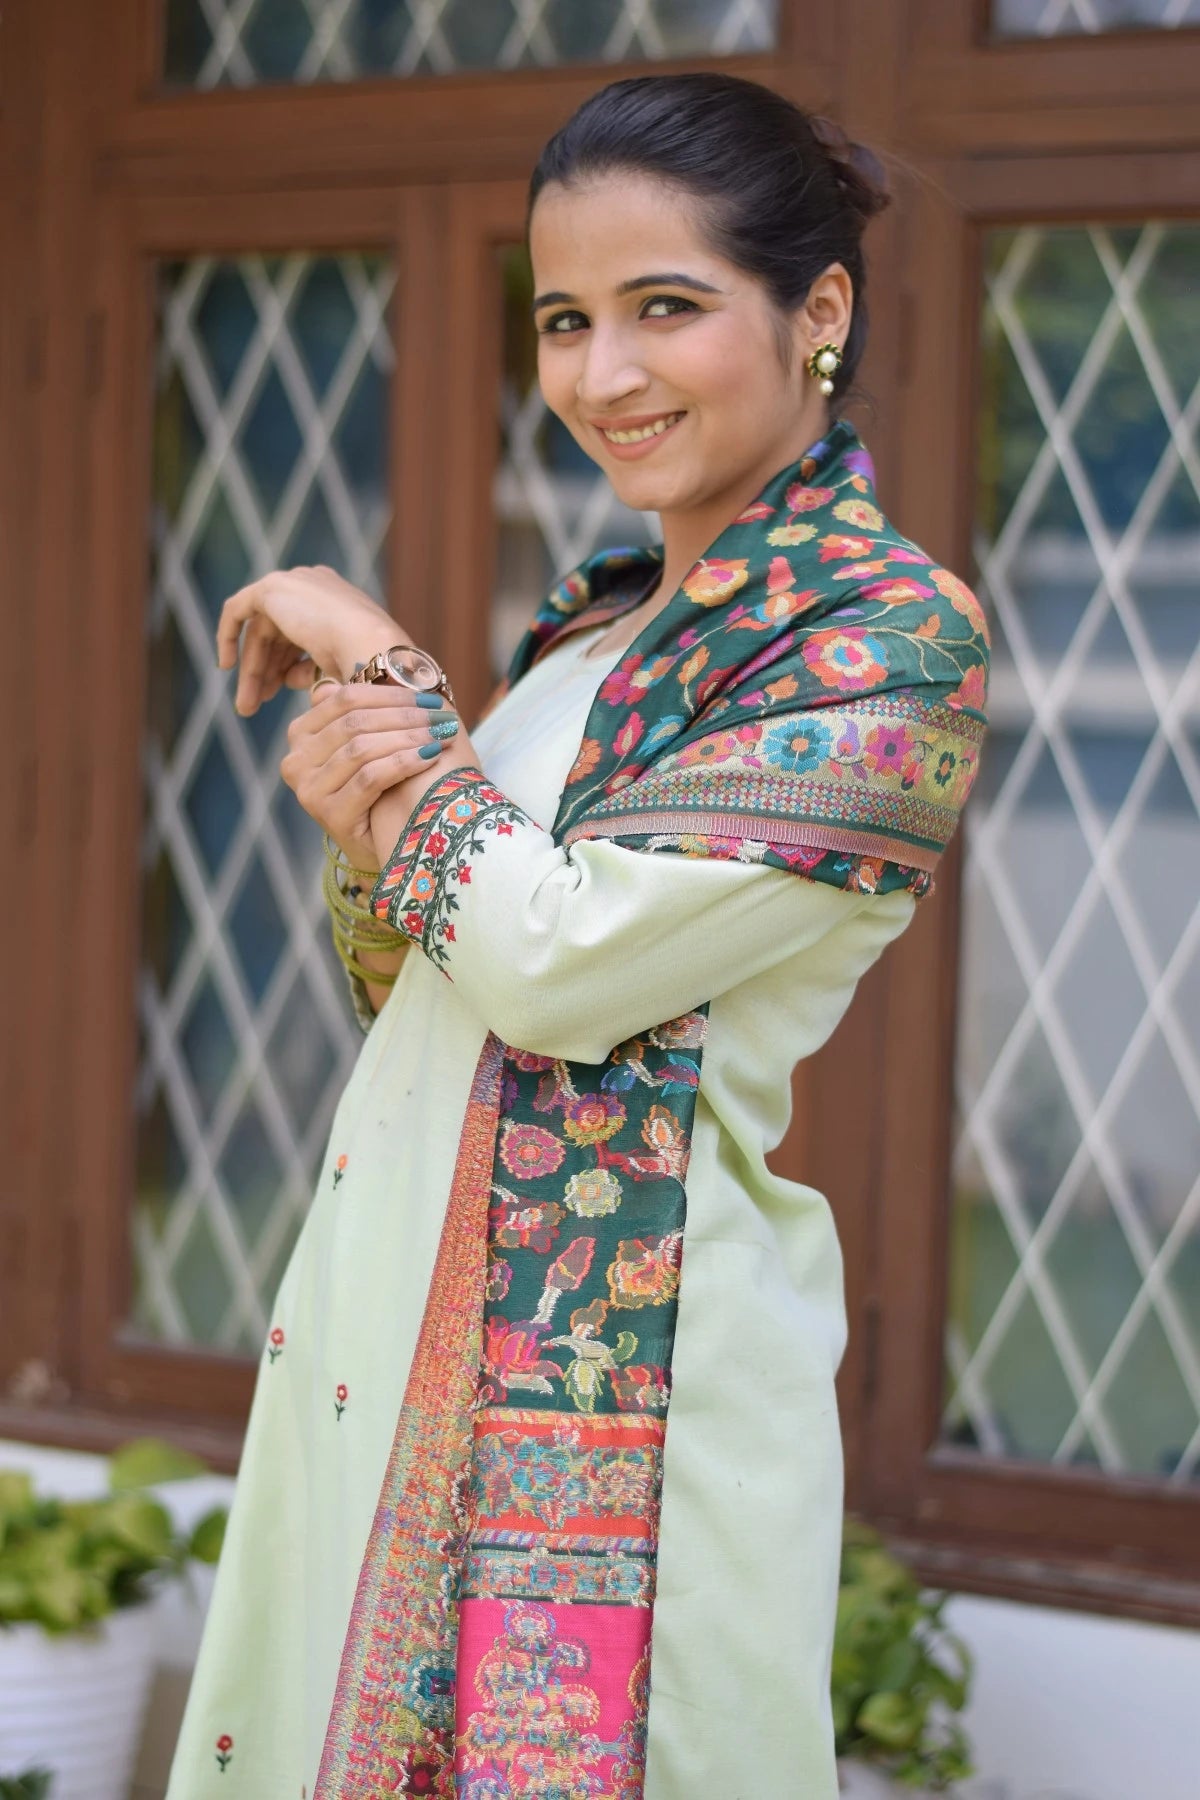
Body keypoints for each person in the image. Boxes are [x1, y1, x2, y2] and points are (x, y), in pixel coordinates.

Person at [164, 71, 989, 1800]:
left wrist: (389, 676)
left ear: (816, 310)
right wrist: (370, 822)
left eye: (664, 309)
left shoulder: (881, 643)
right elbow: (431, 984)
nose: (602, 376)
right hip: (387, 1334)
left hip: (621, 1397)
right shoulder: (598, 632)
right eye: (564, 320)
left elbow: (556, 969)